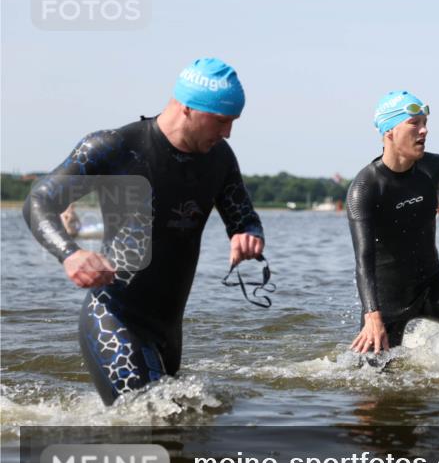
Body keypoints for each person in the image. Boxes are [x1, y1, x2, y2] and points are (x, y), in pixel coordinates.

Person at [23, 58, 264, 405]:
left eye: (233, 123)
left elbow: (243, 216)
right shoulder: (114, 148)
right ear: (187, 108)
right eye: (222, 121)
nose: (227, 132)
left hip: (168, 330)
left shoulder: (219, 158)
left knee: (172, 442)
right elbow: (38, 200)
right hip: (115, 319)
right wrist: (70, 253)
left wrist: (247, 234)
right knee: (149, 429)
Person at [348, 90, 439, 354]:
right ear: (389, 131)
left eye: (425, 123)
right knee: (374, 383)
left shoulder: (435, 168)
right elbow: (363, 259)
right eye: (414, 124)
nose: (424, 131)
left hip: (432, 282)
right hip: (388, 299)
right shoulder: (366, 187)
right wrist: (371, 315)